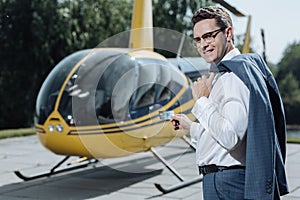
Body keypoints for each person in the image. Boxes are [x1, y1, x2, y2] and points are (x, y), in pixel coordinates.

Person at [171, 6, 289, 200]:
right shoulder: (226, 72)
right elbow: (221, 138)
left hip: (226, 183)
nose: (203, 45)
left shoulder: (233, 77)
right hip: (223, 179)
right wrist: (190, 127)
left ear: (228, 33)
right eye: (198, 40)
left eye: (209, 36)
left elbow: (230, 137)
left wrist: (201, 101)